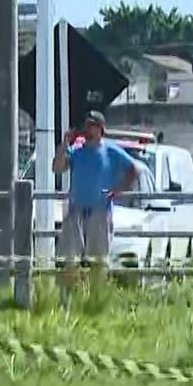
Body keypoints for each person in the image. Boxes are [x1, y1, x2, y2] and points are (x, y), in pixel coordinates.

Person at [50, 111, 137, 283]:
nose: (87, 129)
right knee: (69, 260)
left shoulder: (111, 150)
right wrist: (64, 145)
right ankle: (69, 294)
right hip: (76, 211)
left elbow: (133, 168)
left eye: (92, 125)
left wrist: (119, 190)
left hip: (100, 212)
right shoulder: (76, 151)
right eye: (86, 125)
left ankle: (96, 294)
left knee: (98, 261)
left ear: (100, 129)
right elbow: (57, 168)